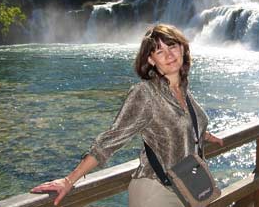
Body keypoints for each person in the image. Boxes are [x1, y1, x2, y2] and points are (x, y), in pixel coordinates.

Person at [31, 24, 224, 206]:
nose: (169, 55)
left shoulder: (183, 90)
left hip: (186, 188)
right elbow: (111, 139)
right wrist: (68, 180)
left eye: (172, 46)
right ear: (151, 60)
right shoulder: (145, 93)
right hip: (155, 192)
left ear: (182, 48)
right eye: (159, 51)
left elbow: (177, 122)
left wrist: (202, 133)